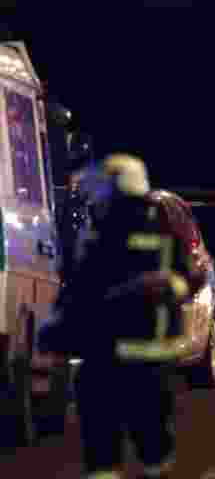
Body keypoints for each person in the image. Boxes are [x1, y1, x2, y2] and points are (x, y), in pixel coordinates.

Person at [40, 155, 200, 479]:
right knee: (116, 443)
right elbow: (81, 287)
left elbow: (190, 274)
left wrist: (167, 285)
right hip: (116, 355)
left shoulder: (149, 230)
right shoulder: (100, 232)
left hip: (139, 355)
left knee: (140, 440)